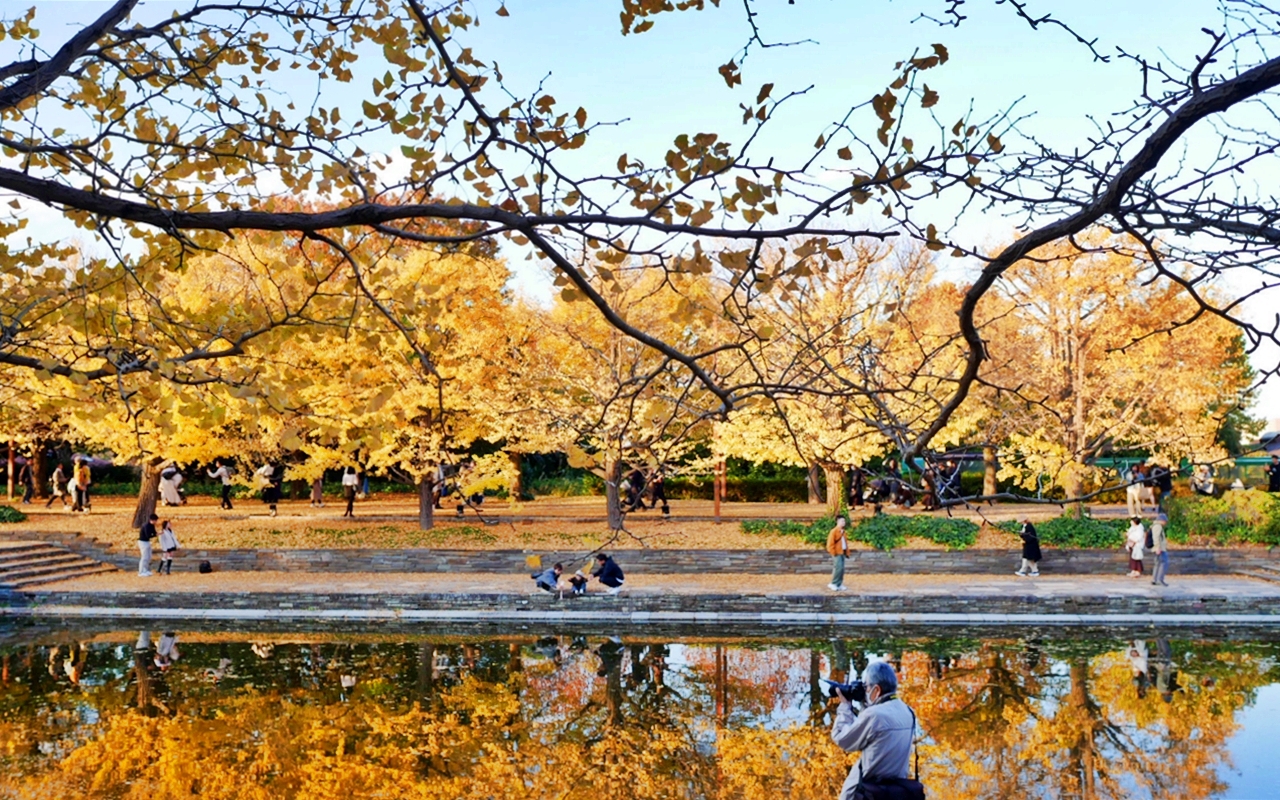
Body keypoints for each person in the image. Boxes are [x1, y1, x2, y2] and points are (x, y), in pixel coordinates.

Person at [831, 660, 919, 800]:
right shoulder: (908, 712)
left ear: (876, 690)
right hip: (896, 793)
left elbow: (842, 739)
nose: (864, 691)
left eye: (866, 687)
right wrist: (864, 702)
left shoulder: (874, 716)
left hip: (867, 793)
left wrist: (845, 707)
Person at [827, 515, 849, 591]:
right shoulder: (834, 531)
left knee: (841, 569)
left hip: (842, 552)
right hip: (837, 552)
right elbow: (830, 544)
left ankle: (839, 584)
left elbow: (845, 542)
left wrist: (847, 552)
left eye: (844, 521)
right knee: (838, 568)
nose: (844, 522)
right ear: (838, 521)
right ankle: (833, 583)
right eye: (842, 521)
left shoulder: (843, 531)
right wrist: (833, 552)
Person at [1150, 512, 1169, 587]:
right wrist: (1158, 547)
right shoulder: (1158, 526)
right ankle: (1159, 579)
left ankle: (1155, 579)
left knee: (1158, 563)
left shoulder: (1155, 526)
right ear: (1161, 520)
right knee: (1163, 563)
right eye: (1165, 521)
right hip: (1160, 549)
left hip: (1158, 548)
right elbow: (1156, 537)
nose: (1165, 523)